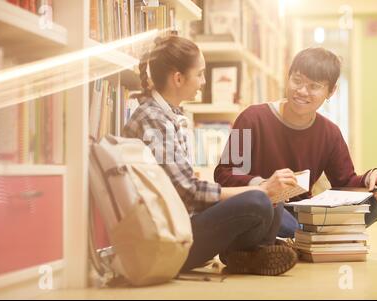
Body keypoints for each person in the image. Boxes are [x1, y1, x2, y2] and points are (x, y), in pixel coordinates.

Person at [123, 35, 298, 276]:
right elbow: (189, 191)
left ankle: (249, 255)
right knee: (259, 201)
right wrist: (260, 190)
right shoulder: (153, 120)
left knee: (272, 202)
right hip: (170, 236)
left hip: (183, 221)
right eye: (201, 74)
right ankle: (254, 253)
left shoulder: (170, 115)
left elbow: (187, 190)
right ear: (178, 78)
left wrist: (265, 191)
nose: (203, 82)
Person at [214, 47, 377, 238]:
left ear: (331, 91)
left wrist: (371, 177)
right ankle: (306, 238)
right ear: (287, 77)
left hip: (301, 213)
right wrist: (264, 185)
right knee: (274, 215)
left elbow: (345, 181)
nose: (302, 91)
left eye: (314, 86)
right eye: (297, 81)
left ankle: (288, 241)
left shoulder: (330, 133)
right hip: (262, 206)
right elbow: (225, 174)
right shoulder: (252, 118)